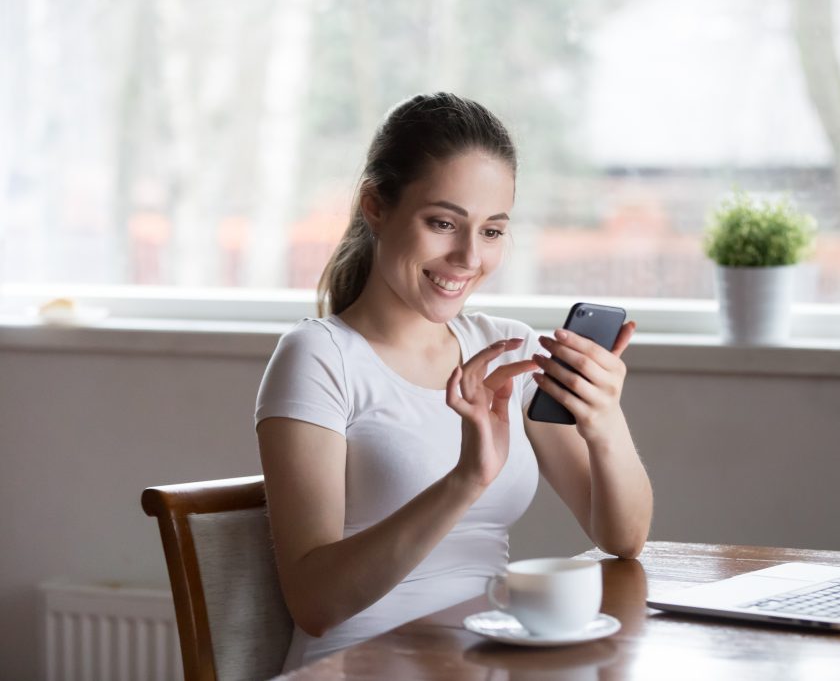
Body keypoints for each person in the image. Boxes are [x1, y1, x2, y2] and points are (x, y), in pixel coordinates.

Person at [255, 92, 653, 671]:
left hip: (486, 660)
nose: (468, 257)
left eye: (492, 231)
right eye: (443, 223)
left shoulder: (506, 351)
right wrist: (466, 479)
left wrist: (605, 421)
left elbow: (623, 538)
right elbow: (316, 604)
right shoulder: (319, 357)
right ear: (376, 207)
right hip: (358, 665)